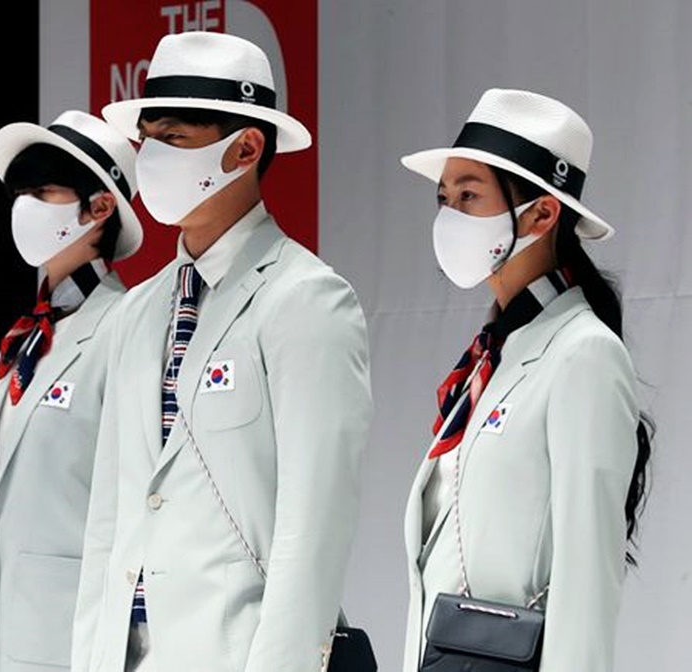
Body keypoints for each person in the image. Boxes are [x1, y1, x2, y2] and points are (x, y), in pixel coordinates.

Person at [72, 31, 373, 672]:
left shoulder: (306, 298)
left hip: (234, 653)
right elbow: (109, 517)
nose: (151, 158)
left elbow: (314, 526)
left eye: (174, 139)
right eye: (146, 139)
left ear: (245, 148)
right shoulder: (136, 310)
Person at [399, 88, 652, 671]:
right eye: (443, 198)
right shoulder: (492, 356)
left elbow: (588, 579)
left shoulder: (584, 354)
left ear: (542, 214)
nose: (449, 216)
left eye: (469, 196)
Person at [0, 110, 142, 672]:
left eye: (43, 192)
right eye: (21, 193)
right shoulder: (24, 336)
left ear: (100, 207)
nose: (25, 207)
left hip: (73, 639)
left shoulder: (126, 327)